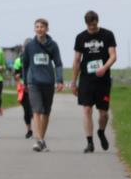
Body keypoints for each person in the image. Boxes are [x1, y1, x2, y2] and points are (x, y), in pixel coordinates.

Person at [72, 10, 117, 153]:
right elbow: (77, 60)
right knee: (86, 109)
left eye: (93, 25)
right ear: (85, 24)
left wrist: (104, 68)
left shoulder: (107, 35)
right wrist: (74, 81)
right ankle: (89, 142)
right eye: (89, 25)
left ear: (97, 22)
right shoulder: (80, 37)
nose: (91, 28)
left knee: (103, 113)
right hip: (86, 79)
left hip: (103, 79)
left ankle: (101, 132)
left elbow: (113, 56)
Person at [20, 18, 64, 152]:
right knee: (37, 110)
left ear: (47, 29)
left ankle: (41, 140)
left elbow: (58, 63)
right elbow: (25, 64)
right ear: (34, 29)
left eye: (42, 27)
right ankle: (38, 140)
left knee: (46, 112)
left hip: (48, 82)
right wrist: (24, 81)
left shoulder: (53, 45)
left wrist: (60, 80)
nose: (39, 29)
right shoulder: (30, 46)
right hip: (33, 82)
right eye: (37, 27)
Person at [12, 55, 33, 139]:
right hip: (23, 88)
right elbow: (15, 75)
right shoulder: (18, 61)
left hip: (34, 87)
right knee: (27, 110)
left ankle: (38, 129)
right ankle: (29, 130)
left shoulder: (34, 58)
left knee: (33, 110)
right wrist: (16, 77)